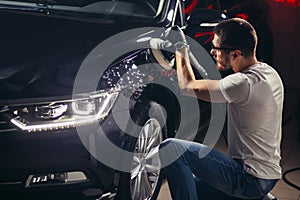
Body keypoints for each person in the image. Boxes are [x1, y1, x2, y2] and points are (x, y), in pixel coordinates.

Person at [159, 18, 284, 200]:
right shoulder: (269, 73)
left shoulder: (242, 83)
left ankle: (252, 195)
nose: (212, 52)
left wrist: (180, 48)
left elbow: (187, 86)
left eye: (217, 48)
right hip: (268, 176)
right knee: (194, 188)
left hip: (247, 178)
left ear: (236, 54)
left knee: (171, 148)